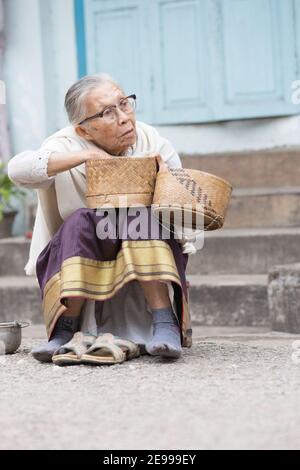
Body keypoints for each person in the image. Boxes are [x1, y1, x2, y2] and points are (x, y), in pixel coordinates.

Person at [8, 73, 194, 364]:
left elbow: (182, 205)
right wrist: (85, 157)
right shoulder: (65, 143)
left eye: (125, 104)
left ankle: (165, 322)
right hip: (85, 250)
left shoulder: (151, 140)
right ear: (83, 131)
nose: (124, 118)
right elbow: (17, 171)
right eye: (108, 112)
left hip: (144, 245)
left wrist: (163, 179)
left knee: (136, 214)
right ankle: (65, 329)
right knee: (81, 219)